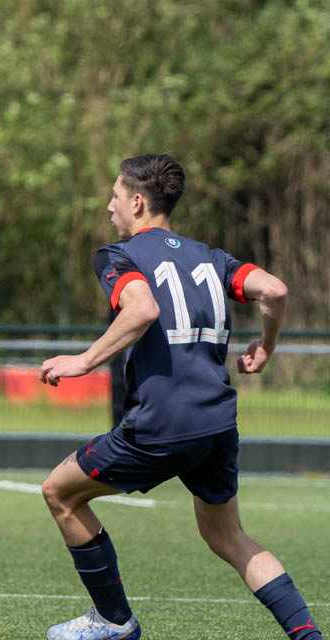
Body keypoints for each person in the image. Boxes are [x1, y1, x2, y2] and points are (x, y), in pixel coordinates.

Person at [38, 154, 323, 640]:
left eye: (114, 196)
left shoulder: (117, 255)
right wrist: (266, 348)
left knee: (59, 493)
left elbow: (143, 308)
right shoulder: (211, 257)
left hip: (161, 425)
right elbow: (274, 289)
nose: (109, 207)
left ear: (138, 201)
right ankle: (309, 636)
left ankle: (114, 622)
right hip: (216, 425)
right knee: (228, 536)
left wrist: (84, 361)